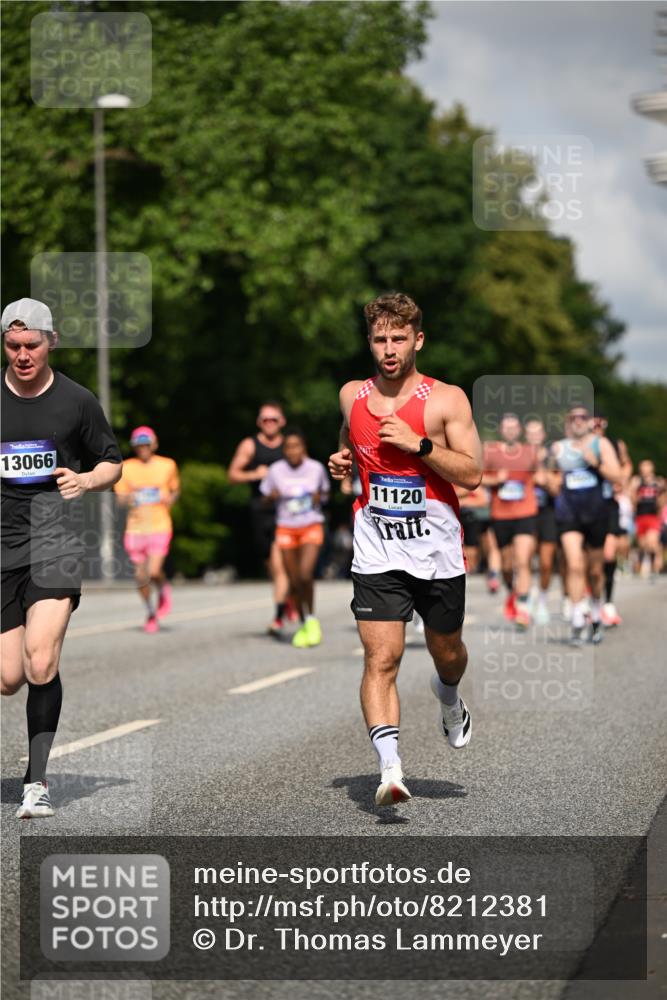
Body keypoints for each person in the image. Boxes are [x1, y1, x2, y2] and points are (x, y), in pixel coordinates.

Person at [328, 292, 482, 808]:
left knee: (448, 653)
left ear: (418, 339)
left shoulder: (447, 400)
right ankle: (390, 769)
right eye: (379, 339)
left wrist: (420, 445)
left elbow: (474, 474)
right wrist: (344, 460)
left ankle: (450, 696)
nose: (389, 348)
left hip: (437, 552)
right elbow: (350, 440)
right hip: (376, 548)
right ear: (369, 343)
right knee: (381, 657)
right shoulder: (352, 395)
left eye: (398, 338)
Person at [0, 298, 122, 818]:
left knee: (41, 660)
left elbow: (112, 462)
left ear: (51, 342)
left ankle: (37, 781)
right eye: (12, 345)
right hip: (2, 549)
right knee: (8, 678)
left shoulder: (76, 401)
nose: (22, 355)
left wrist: (87, 479)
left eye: (31, 345)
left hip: (55, 546)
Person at [547, 406, 621, 645]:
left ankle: (597, 611)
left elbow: (617, 477)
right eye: (573, 418)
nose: (578, 421)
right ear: (569, 422)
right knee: (575, 565)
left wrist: (595, 462)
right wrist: (551, 474)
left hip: (597, 513)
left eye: (583, 417)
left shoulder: (601, 445)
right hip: (570, 514)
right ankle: (578, 617)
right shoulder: (559, 447)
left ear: (590, 422)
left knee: (596, 571)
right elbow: (549, 481)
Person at [228, 402, 293, 635]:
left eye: (274, 419)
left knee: (279, 564)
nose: (269, 423)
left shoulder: (289, 445)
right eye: (265, 419)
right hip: (259, 510)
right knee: (271, 563)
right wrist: (254, 474)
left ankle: (278, 615)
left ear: (282, 421)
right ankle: (287, 596)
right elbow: (232, 474)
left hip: (286, 511)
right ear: (259, 422)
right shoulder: (250, 445)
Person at [260, 429, 330, 647]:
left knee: (305, 573)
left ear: (304, 448)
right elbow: (263, 500)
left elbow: (326, 494)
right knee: (293, 580)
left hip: (310, 525)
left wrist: (320, 497)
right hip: (286, 528)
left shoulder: (316, 468)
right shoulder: (276, 470)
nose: (293, 451)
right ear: (284, 450)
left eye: (297, 446)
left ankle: (312, 618)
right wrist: (271, 498)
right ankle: (304, 621)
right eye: (288, 447)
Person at [114, 427, 180, 633]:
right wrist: (130, 497)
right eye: (139, 445)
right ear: (134, 446)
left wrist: (171, 499)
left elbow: (175, 489)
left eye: (146, 444)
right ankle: (150, 612)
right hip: (135, 528)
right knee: (140, 577)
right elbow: (119, 500)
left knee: (153, 571)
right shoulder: (126, 467)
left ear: (154, 444)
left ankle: (163, 588)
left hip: (160, 525)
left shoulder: (167, 465)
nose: (143, 448)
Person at [482, 414, 538, 629]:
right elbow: (478, 477)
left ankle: (523, 607)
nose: (511, 431)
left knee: (522, 561)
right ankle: (513, 593)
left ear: (520, 430)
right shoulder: (491, 452)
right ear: (501, 430)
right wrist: (497, 479)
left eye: (515, 428)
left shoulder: (529, 453)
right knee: (506, 565)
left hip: (525, 512)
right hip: (501, 514)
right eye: (507, 428)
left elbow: (538, 476)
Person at [590, 412, 632, 626]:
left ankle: (608, 603)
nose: (597, 427)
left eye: (600, 424)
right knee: (590, 561)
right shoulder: (582, 446)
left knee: (608, 555)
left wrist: (621, 479)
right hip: (588, 507)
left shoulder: (615, 444)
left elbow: (626, 465)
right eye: (593, 424)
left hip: (609, 505)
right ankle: (589, 601)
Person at [524, 418, 558, 626]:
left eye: (538, 433)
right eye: (530, 434)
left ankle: (543, 601)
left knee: (546, 562)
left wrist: (542, 477)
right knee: (524, 559)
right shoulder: (518, 457)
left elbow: (556, 487)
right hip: (525, 513)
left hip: (547, 512)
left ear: (543, 436)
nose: (534, 437)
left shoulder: (552, 459)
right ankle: (525, 598)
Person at [630, 460, 663, 579]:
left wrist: (660, 503)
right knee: (643, 545)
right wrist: (634, 494)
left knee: (652, 543)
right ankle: (640, 564)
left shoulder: (658, 482)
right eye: (643, 467)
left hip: (653, 516)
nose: (645, 469)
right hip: (640, 516)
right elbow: (632, 499)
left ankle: (655, 568)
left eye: (647, 466)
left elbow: (663, 498)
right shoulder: (637, 481)